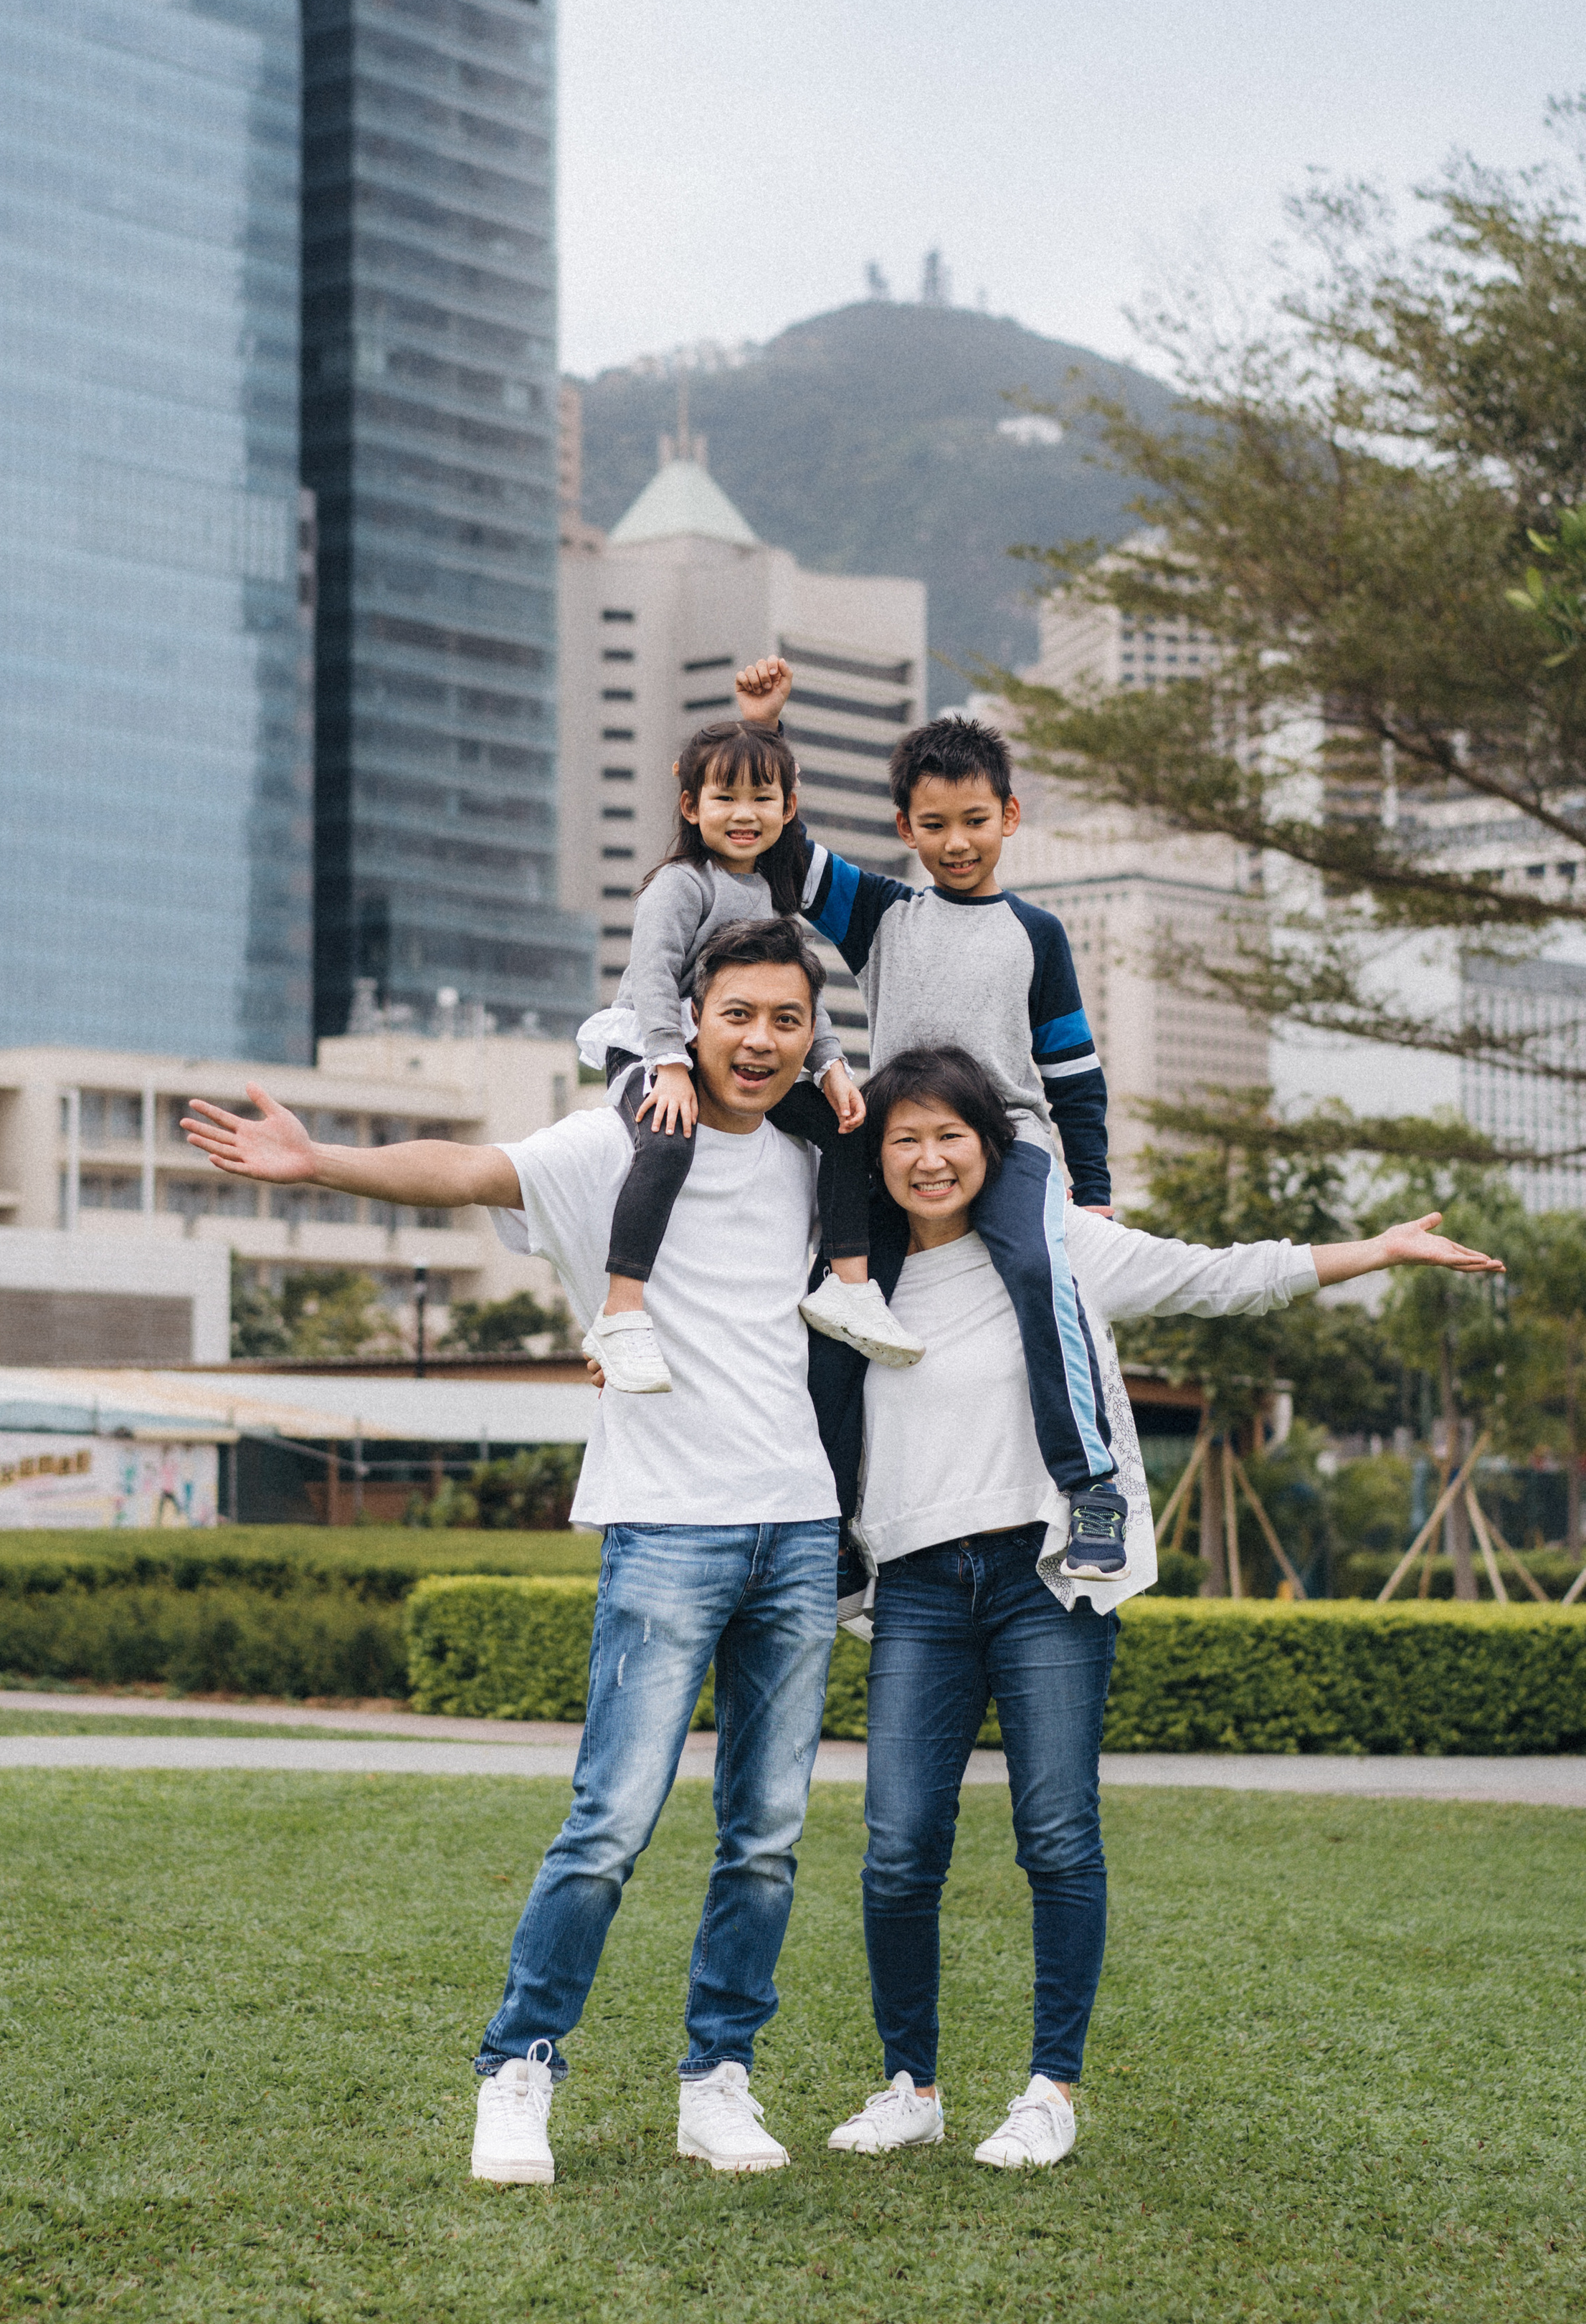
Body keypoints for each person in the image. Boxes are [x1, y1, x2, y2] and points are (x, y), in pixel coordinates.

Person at [181, 916, 847, 2190]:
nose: (760, 1041)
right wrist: (320, 1162)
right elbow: (469, 1169)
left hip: (798, 1524)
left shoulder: (816, 1159)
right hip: (666, 1524)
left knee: (766, 1834)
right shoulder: (628, 1136)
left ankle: (719, 2083)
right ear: (690, 1024)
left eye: (786, 1020)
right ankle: (518, 2073)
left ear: (810, 1034)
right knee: (609, 1823)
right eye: (738, 1016)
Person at [815, 1042, 1505, 2170]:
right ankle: (911, 2084)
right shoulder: (849, 1277)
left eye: (952, 1135)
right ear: (875, 1157)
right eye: (905, 1139)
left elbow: (1213, 1275)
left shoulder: (1057, 1240)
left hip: (1051, 1574)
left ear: (990, 1143)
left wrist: (1375, 1251)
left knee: (1056, 1835)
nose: (930, 1159)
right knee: (897, 1848)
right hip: (921, 1586)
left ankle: (1049, 2090)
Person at [737, 657, 1129, 1583]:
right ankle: (831, 1533)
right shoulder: (884, 914)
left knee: (1042, 1275)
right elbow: (787, 855)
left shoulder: (1038, 935)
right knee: (835, 1321)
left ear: (1010, 817)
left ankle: (1093, 1487)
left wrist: (1098, 1192)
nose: (957, 843)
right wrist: (767, 729)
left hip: (1007, 1145)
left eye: (976, 823)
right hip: (890, 1146)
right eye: (935, 826)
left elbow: (1073, 1075)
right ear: (906, 828)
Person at [577, 713, 921, 1394]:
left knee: (846, 1124)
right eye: (725, 799)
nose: (744, 814)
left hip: (728, 1053)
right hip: (653, 1047)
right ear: (691, 806)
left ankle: (848, 1284)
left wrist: (829, 1066)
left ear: (788, 809)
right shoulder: (682, 884)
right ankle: (621, 1310)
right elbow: (650, 975)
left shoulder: (771, 891)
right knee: (669, 1141)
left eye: (762, 799)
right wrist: (670, 1065)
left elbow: (797, 990)